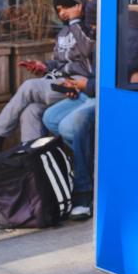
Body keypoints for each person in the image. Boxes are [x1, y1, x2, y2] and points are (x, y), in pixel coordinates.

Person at [0, 0, 95, 158]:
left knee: (29, 87)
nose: (62, 13)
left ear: (79, 5)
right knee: (31, 111)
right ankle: (32, 166)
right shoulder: (62, 33)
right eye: (58, 9)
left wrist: (76, 21)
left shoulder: (88, 30)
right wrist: (45, 66)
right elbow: (59, 62)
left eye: (66, 7)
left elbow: (88, 49)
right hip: (62, 85)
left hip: (79, 86)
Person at [43, 74, 96, 220]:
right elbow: (93, 72)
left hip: (105, 93)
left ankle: (84, 190)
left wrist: (87, 85)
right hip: (88, 91)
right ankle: (90, 167)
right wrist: (76, 85)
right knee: (50, 118)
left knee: (70, 126)